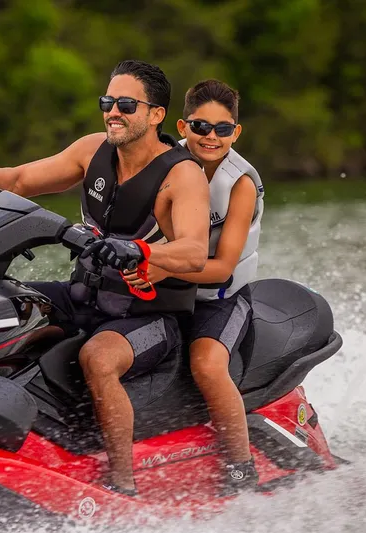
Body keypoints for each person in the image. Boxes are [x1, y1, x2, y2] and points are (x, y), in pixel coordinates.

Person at [0, 60, 210, 496]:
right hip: (84, 296)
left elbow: (194, 251)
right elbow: (21, 179)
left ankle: (121, 486)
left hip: (149, 314)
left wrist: (137, 248)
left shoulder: (182, 174)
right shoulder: (92, 150)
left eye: (125, 104)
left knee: (98, 359)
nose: (112, 112)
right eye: (107, 102)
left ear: (155, 115)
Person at [124, 79, 264, 494]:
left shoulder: (239, 184)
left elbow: (221, 268)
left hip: (220, 297)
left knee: (205, 364)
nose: (211, 137)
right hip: (167, 287)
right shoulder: (165, 164)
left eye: (223, 129)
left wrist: (163, 271)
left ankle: (241, 468)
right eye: (201, 127)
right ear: (183, 127)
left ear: (235, 133)